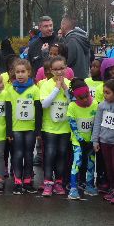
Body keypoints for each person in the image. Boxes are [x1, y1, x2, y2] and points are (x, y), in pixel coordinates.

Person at [6, 59, 42, 194]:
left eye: (23, 72)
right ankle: (17, 182)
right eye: (17, 72)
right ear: (14, 73)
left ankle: (27, 181)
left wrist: (38, 130)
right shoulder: (10, 90)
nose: (20, 74)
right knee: (17, 154)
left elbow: (38, 111)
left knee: (28, 154)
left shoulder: (35, 89)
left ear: (29, 72)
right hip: (16, 129)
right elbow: (8, 112)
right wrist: (9, 131)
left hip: (30, 129)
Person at [39, 56, 71, 197]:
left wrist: (65, 88)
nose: (59, 72)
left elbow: (73, 102)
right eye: (56, 69)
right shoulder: (46, 85)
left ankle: (59, 181)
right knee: (50, 153)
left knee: (62, 154)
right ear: (51, 71)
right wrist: (56, 89)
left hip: (65, 127)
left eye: (61, 68)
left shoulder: (70, 83)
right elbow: (44, 104)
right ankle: (47, 182)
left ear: (66, 68)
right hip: (49, 127)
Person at [66, 78, 99, 200]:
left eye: (86, 96)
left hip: (91, 140)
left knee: (91, 163)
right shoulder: (72, 106)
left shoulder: (95, 104)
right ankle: (73, 188)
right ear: (75, 97)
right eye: (81, 98)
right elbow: (73, 126)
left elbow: (96, 124)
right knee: (77, 162)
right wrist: (80, 140)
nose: (85, 100)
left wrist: (93, 140)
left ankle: (89, 185)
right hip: (78, 141)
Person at [60, 15, 91, 79]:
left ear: (64, 25)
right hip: (83, 78)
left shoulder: (70, 41)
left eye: (61, 25)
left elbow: (67, 62)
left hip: (73, 79)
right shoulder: (82, 39)